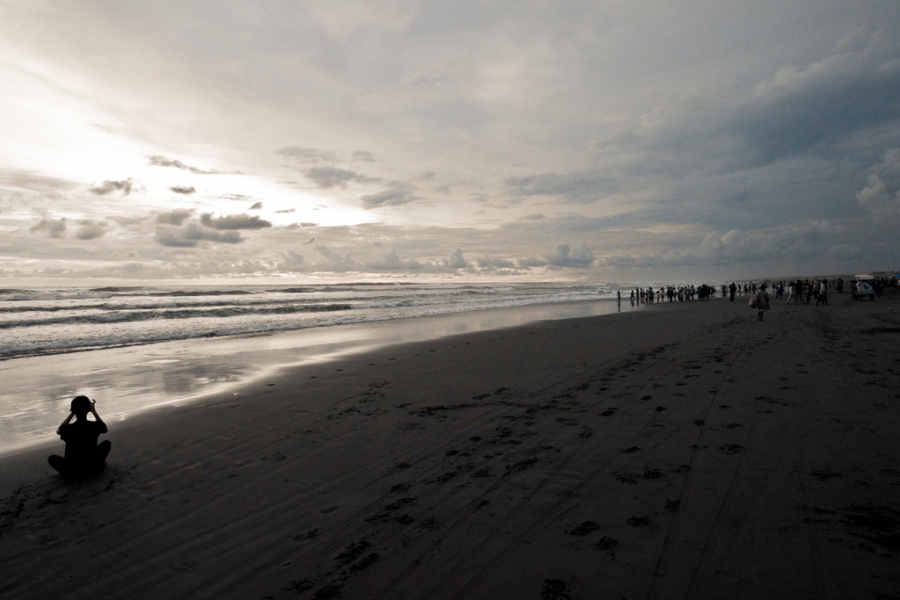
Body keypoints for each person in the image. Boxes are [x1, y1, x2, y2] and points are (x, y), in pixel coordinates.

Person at [48, 396, 111, 480]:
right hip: (91, 467)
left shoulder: (67, 429)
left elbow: (58, 431)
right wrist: (94, 411)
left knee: (52, 458)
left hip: (72, 471)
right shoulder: (94, 426)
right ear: (88, 409)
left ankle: (68, 474)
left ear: (73, 410)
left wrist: (72, 412)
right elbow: (105, 429)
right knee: (106, 443)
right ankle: (99, 465)